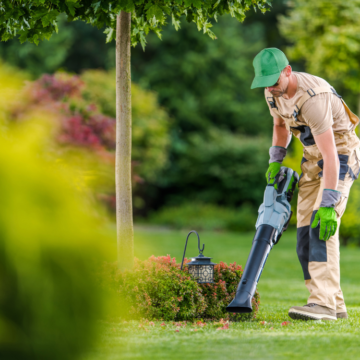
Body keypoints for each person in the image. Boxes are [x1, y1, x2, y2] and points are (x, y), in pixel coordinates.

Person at [251, 48, 360, 321]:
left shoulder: (313, 98)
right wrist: (275, 159)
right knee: (303, 235)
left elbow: (332, 155)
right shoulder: (271, 92)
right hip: (312, 157)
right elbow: (279, 126)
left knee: (320, 226)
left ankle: (322, 304)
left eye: (275, 81)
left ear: (287, 71)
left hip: (340, 154)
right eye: (265, 83)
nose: (271, 89)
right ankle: (335, 305)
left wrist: (328, 203)